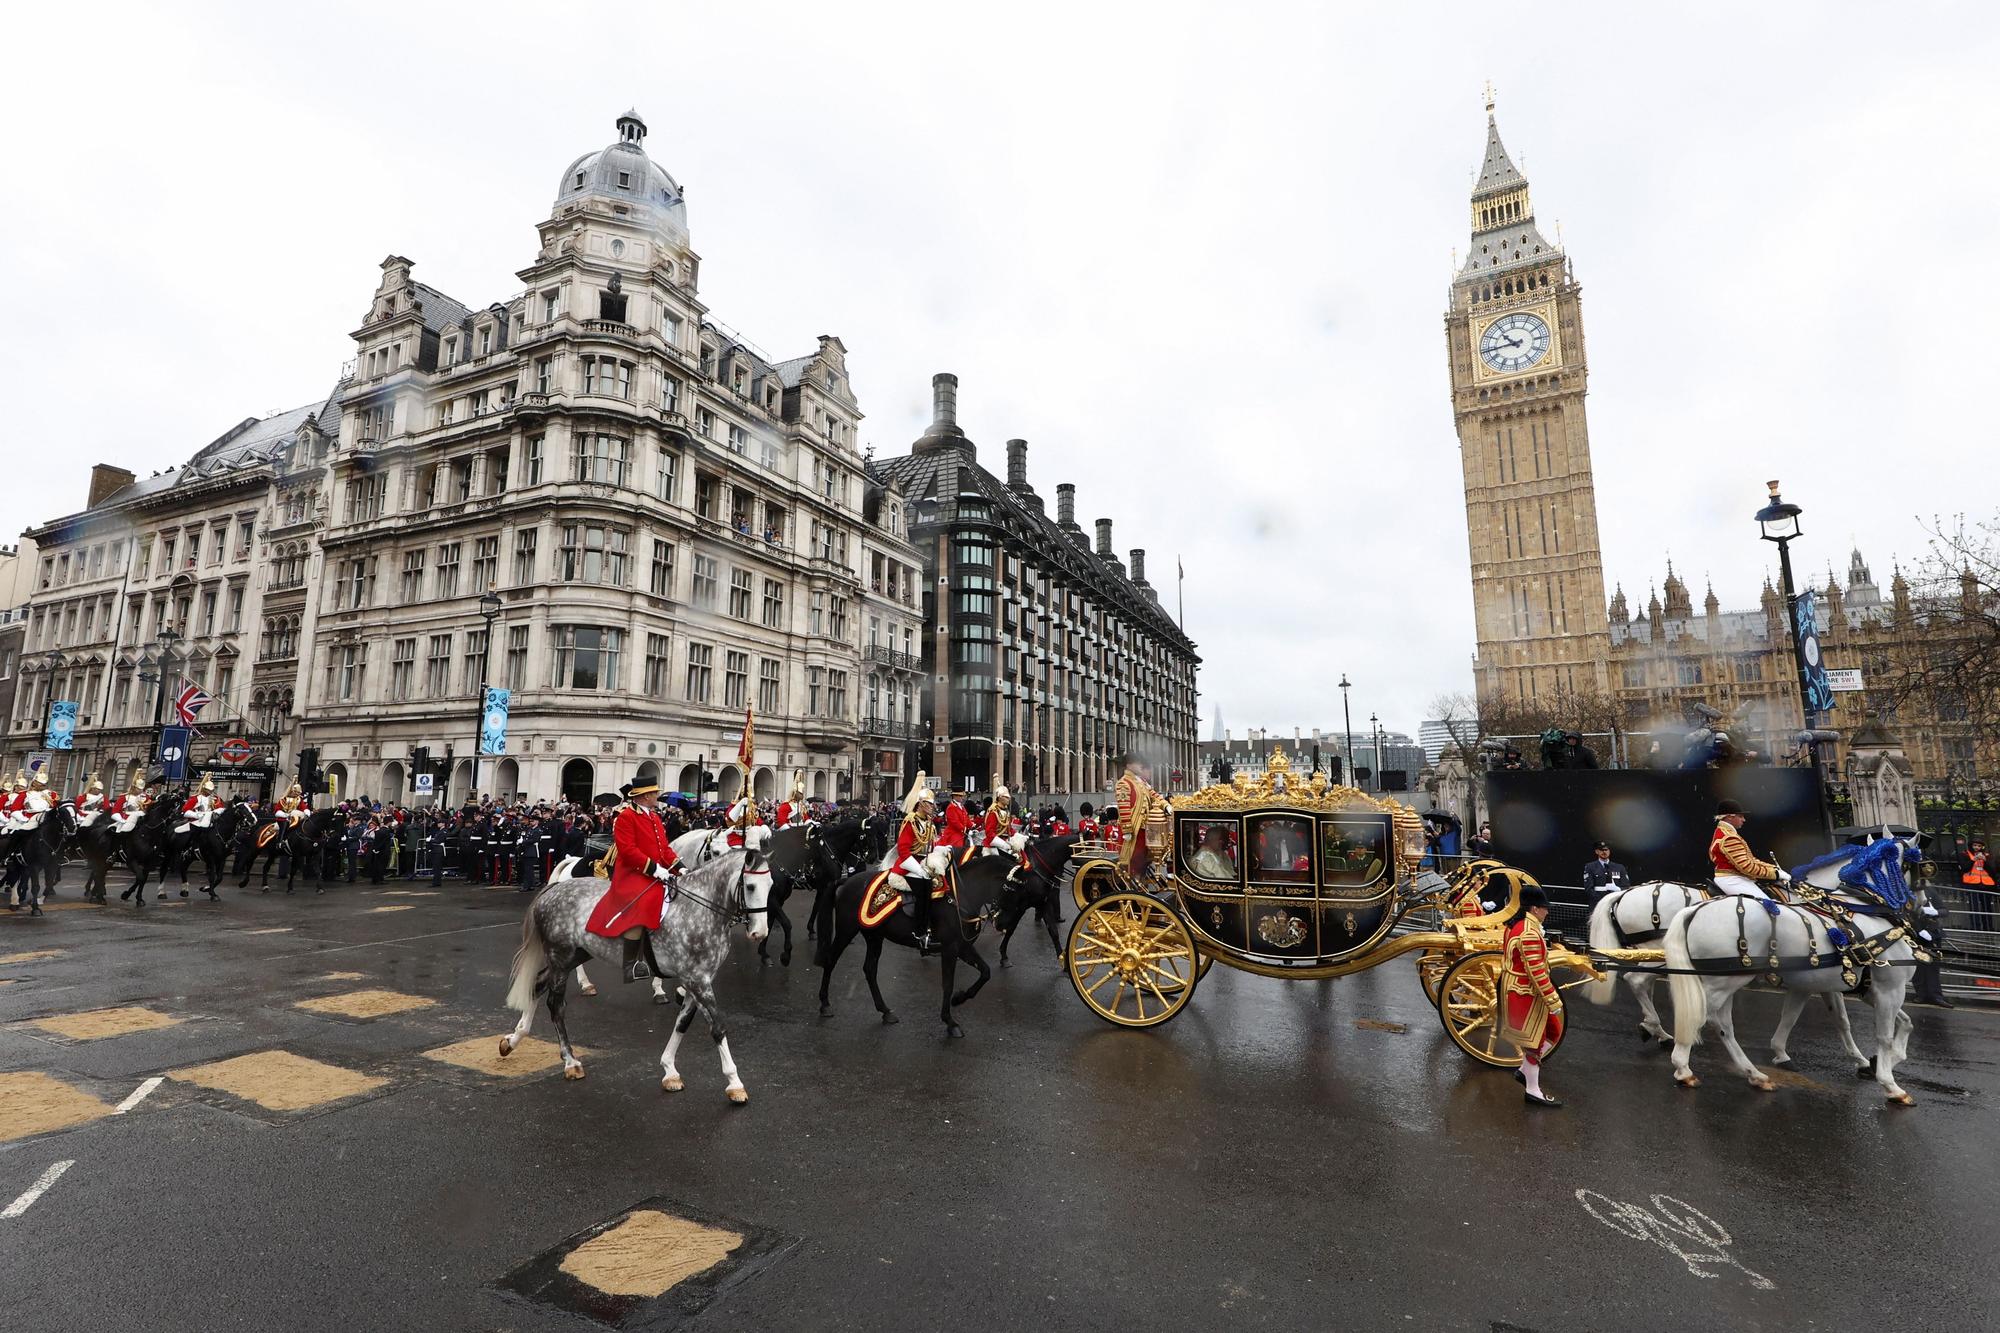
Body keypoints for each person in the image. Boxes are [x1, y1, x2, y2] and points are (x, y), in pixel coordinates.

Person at [583, 774, 682, 982]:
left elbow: (664, 849)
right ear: (645, 796)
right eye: (654, 792)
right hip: (632, 874)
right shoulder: (626, 816)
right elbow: (628, 851)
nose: (657, 795)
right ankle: (630, 965)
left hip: (655, 872)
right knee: (643, 904)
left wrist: (680, 868)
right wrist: (654, 868)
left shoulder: (654, 817)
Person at [1502, 883, 1564, 1107]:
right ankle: (1532, 1089)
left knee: (1553, 1032)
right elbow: (1535, 971)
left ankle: (1524, 1071)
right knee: (1534, 1042)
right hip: (1526, 992)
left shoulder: (1517, 925)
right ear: (1535, 909)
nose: (1547, 912)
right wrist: (1552, 998)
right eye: (1545, 908)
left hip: (1522, 989)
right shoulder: (1529, 932)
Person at [891, 773, 948, 954]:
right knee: (924, 889)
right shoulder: (911, 821)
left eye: (932, 804)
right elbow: (903, 849)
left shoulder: (929, 824)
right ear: (921, 804)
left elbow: (932, 845)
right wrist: (920, 869)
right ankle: (919, 931)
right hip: (908, 863)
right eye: (929, 804)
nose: (932, 807)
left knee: (941, 884)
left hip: (923, 861)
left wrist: (942, 851)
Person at [1709, 800, 1787, 898]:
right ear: (1729, 816)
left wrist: (1773, 868)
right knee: (1767, 906)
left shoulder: (1723, 833)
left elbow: (1751, 860)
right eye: (1740, 816)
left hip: (1732, 878)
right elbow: (1747, 867)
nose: (1744, 820)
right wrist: (1775, 874)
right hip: (1733, 880)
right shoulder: (1729, 837)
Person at [1113, 752, 1161, 877]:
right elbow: (1124, 808)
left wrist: (1166, 805)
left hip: (1144, 829)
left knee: (1143, 860)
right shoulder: (1123, 783)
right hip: (1133, 830)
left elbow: (1155, 796)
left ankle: (1141, 880)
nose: (1141, 765)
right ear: (1129, 765)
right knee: (1133, 861)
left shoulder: (1141, 782)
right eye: (1137, 762)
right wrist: (1127, 829)